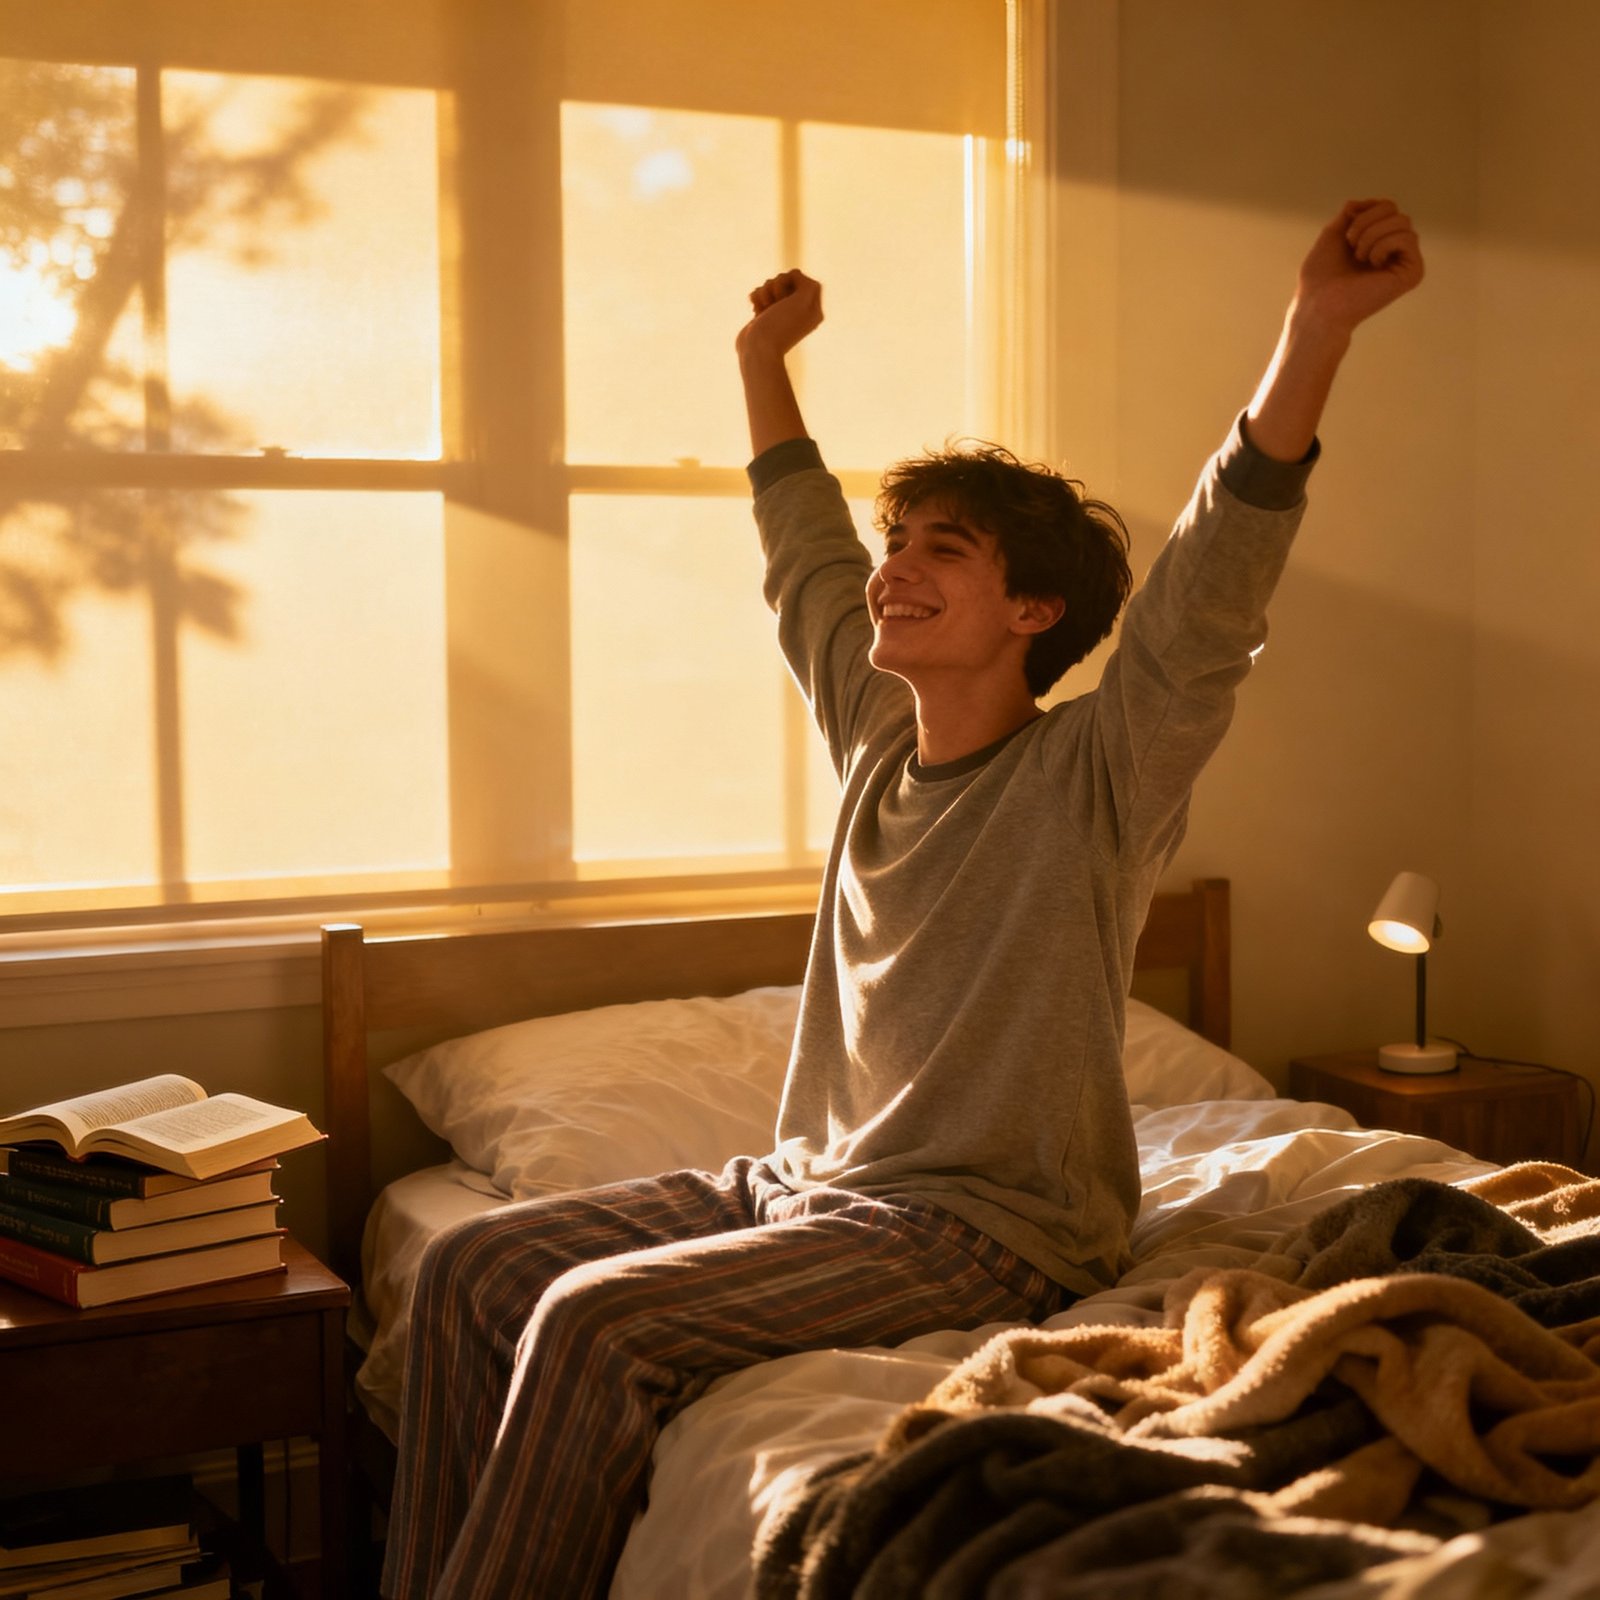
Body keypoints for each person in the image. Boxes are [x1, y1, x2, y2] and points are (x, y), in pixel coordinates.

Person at [380, 198, 1424, 1600]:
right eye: (903, 541)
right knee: (464, 1278)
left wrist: (1314, 332)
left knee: (588, 1323)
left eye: (944, 551)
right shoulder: (879, 740)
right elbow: (802, 552)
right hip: (805, 1188)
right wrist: (763, 364)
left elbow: (1210, 591)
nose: (897, 570)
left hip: (982, 1232)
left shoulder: (1099, 774)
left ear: (1033, 612)